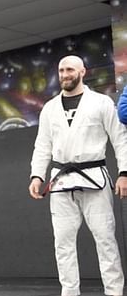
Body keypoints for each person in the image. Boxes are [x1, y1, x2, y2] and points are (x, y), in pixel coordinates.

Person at [29, 55, 127, 296]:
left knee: (105, 240)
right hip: (61, 181)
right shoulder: (50, 108)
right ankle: (69, 293)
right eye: (61, 70)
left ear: (83, 71)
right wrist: (36, 176)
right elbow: (42, 145)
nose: (65, 74)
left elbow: (119, 138)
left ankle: (114, 292)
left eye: (70, 69)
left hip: (95, 177)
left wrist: (124, 172)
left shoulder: (101, 102)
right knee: (62, 245)